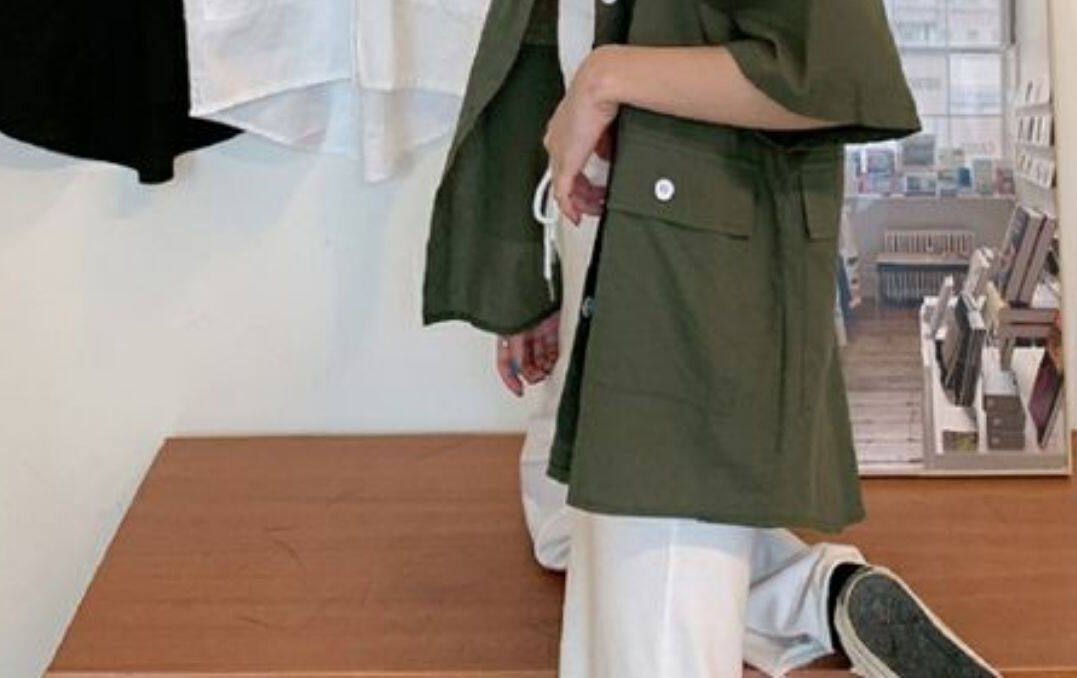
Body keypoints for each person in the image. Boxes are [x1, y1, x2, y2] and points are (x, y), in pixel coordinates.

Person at [423, 1, 1000, 675]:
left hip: (686, 271)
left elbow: (832, 71)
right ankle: (812, 595)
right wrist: (536, 274)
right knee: (560, 521)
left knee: (648, 575)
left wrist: (605, 78)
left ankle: (802, 593)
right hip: (616, 243)